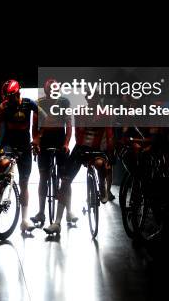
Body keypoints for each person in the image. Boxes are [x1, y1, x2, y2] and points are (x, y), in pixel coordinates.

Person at [44, 92, 114, 235]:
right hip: (81, 148)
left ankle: (102, 186)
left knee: (100, 164)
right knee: (65, 181)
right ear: (87, 98)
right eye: (89, 96)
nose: (92, 99)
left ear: (98, 98)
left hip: (97, 149)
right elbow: (78, 134)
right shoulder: (81, 111)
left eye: (95, 96)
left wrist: (109, 155)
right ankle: (57, 222)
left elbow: (109, 135)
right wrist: (83, 155)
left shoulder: (105, 113)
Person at [0, 79, 39, 233]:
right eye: (7, 98)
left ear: (18, 93)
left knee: (24, 184)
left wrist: (37, 138)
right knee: (3, 165)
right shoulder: (4, 106)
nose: (9, 100)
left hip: (24, 146)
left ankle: (24, 220)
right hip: (8, 143)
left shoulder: (29, 103)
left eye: (11, 97)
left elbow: (46, 116)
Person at [31, 78, 73, 227]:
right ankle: (41, 212)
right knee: (43, 177)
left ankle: (68, 211)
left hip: (60, 140)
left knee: (65, 177)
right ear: (46, 90)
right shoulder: (39, 102)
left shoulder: (64, 102)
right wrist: (36, 142)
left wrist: (67, 143)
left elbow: (68, 124)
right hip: (45, 140)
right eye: (50, 89)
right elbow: (34, 127)